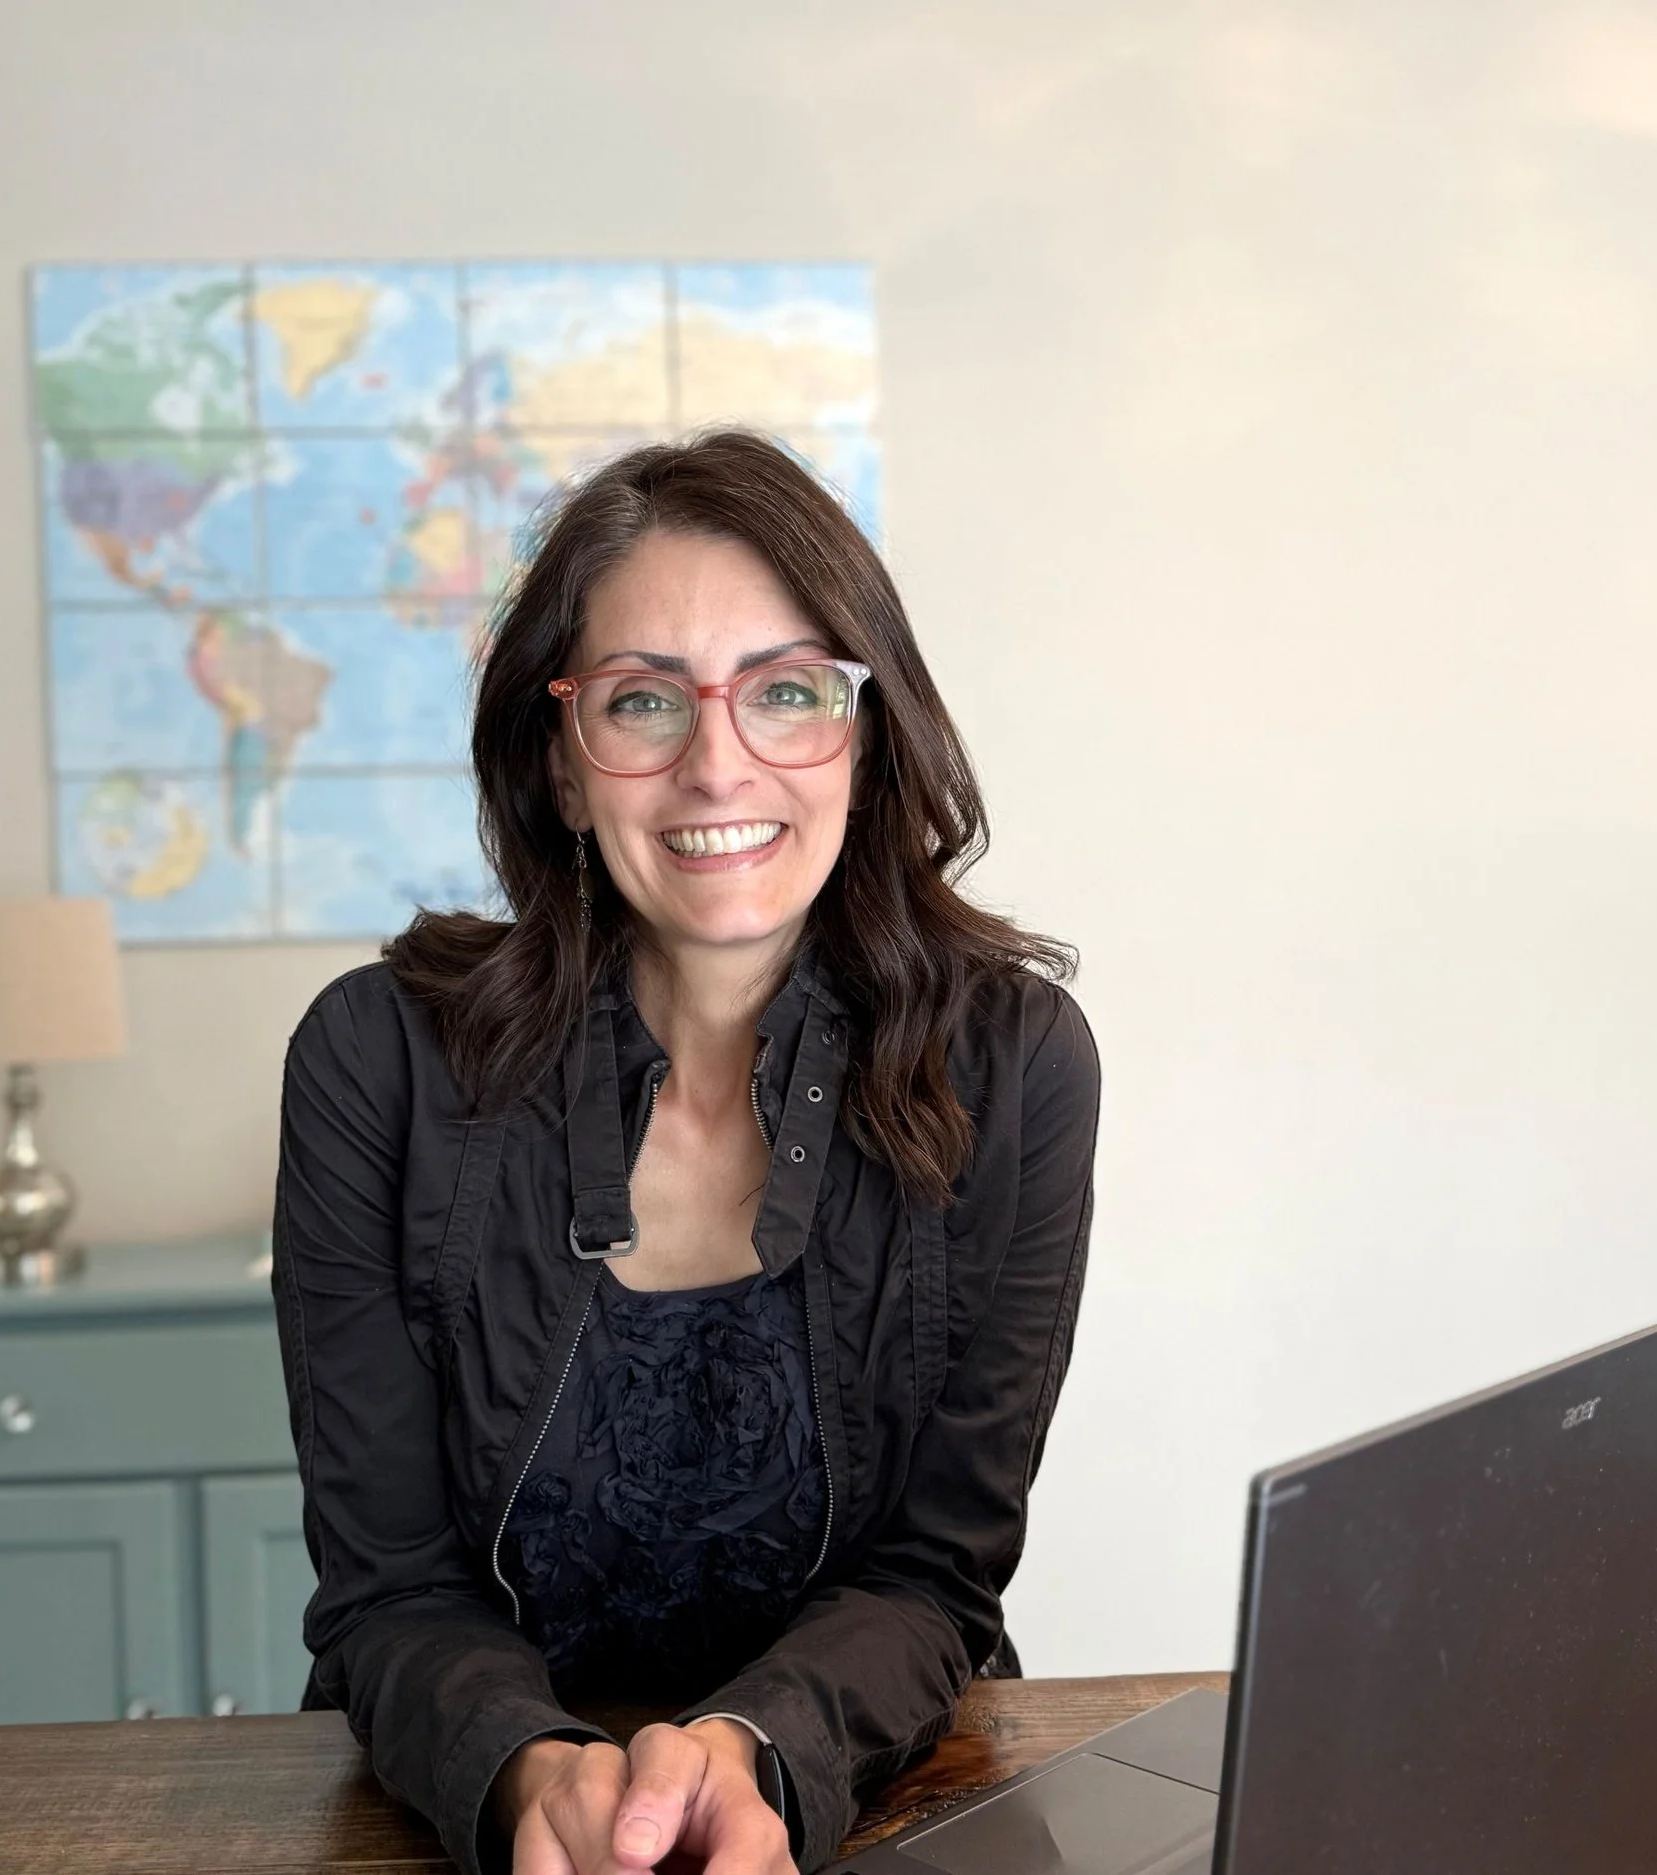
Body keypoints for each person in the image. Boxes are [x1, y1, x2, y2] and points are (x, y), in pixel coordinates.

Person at [271, 429, 1100, 1875]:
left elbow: (936, 1575)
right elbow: (387, 1592)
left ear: (866, 738)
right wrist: (534, 1780)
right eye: (643, 701)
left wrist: (748, 1753)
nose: (718, 765)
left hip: (870, 1789)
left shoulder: (1013, 1065)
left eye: (785, 691)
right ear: (562, 765)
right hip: (469, 1818)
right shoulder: (375, 1062)